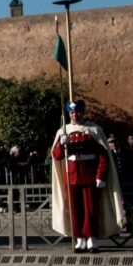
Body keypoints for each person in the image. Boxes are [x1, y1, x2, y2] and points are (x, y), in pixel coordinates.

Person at [50, 100, 126, 252]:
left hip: (89, 175)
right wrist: (61, 144)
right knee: (75, 209)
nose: (75, 115)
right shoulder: (63, 131)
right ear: (68, 114)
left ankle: (91, 238)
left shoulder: (94, 129)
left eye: (77, 112)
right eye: (71, 113)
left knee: (90, 208)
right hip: (71, 176)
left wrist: (101, 176)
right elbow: (57, 156)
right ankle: (79, 238)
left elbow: (103, 155)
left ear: (83, 112)